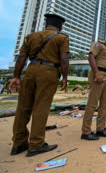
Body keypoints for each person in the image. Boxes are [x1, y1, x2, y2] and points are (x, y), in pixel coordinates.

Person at [9, 13, 69, 157]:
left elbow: (22, 57)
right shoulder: (62, 38)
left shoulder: (31, 36)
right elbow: (64, 58)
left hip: (31, 70)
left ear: (46, 24)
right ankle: (36, 144)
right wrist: (65, 77)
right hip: (48, 71)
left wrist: (16, 76)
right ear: (60, 26)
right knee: (41, 107)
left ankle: (18, 143)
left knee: (23, 107)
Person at [81, 32, 106, 140]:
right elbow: (91, 56)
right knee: (92, 103)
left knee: (104, 104)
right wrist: (97, 73)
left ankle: (101, 128)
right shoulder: (98, 44)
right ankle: (86, 131)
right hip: (99, 75)